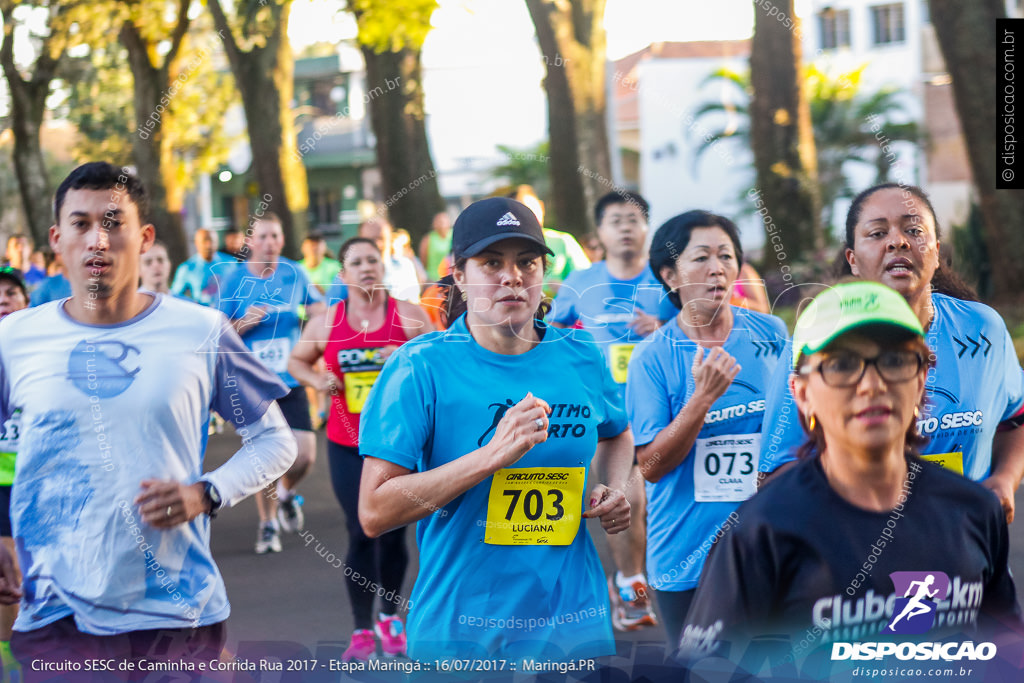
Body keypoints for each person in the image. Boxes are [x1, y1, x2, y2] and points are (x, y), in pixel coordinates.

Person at [0, 162, 297, 675]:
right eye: (81, 224)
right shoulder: (13, 339)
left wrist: (204, 493)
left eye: (114, 223)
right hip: (56, 611)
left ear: (144, 237)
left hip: (176, 610)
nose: (98, 239)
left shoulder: (200, 330)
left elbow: (275, 442)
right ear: (56, 239)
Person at [680, 281, 1021, 663]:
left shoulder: (974, 510)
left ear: (922, 379)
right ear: (802, 392)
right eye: (843, 365)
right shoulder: (761, 532)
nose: (872, 385)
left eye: (894, 360)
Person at [358, 197, 633, 662]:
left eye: (527, 262)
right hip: (463, 628)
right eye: (491, 263)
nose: (513, 277)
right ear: (459, 275)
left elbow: (617, 433)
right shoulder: (420, 366)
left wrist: (613, 486)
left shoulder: (580, 352)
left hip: (571, 624)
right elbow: (374, 510)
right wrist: (493, 454)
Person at [759, 183, 1024, 523]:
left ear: (937, 251)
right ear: (852, 260)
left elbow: (1015, 419)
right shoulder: (815, 339)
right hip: (860, 561)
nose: (897, 241)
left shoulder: (982, 327)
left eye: (913, 230)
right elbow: (776, 473)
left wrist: (1004, 480)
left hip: (965, 550)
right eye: (877, 232)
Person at [625, 210, 788, 650]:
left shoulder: (771, 334)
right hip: (687, 557)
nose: (717, 268)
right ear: (668, 273)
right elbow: (652, 466)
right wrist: (701, 400)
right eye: (701, 258)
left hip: (768, 548)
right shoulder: (652, 358)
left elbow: (791, 431)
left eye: (726, 256)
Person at [289, 237, 434, 662]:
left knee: (392, 534)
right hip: (346, 442)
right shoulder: (327, 323)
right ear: (343, 274)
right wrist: (317, 382)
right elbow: (296, 362)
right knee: (360, 531)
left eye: (374, 260)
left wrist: (406, 354)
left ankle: (389, 617)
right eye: (357, 262)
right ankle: (360, 630)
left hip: (398, 447)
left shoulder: (408, 316)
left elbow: (441, 361)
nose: (367, 268)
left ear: (383, 267)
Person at [550, 190, 663, 631]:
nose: (626, 227)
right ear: (599, 232)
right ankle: (632, 589)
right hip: (611, 417)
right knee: (628, 499)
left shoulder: (664, 278)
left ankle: (667, 582)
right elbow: (553, 332)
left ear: (647, 228)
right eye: (615, 219)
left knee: (661, 507)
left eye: (634, 218)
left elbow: (700, 327)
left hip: (666, 410)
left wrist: (663, 326)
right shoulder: (581, 281)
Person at [216, 212, 325, 553]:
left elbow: (321, 310)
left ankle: (287, 494)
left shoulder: (294, 273)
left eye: (275, 236)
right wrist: (244, 323)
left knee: (305, 454)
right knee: (263, 454)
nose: (270, 243)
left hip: (290, 378)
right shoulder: (234, 280)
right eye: (263, 237)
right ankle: (267, 525)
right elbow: (217, 332)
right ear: (250, 242)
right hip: (253, 382)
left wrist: (309, 329)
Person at [0, 267, 27, 675]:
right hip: (3, 484)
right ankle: (11, 662)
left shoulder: (46, 350)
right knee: (11, 576)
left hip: (45, 479)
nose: (3, 299)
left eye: (11, 292)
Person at [507, 185, 590, 296]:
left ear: (541, 207)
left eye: (532, 208)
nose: (531, 216)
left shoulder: (562, 241)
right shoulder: (504, 246)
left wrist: (566, 288)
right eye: (523, 212)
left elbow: (589, 284)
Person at [170, 228, 235, 305]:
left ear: (217, 242)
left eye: (212, 241)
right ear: (196, 243)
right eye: (204, 241)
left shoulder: (231, 263)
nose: (208, 245)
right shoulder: (187, 268)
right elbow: (175, 297)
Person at [418, 210, 452, 280]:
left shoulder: (454, 235)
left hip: (452, 277)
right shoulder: (428, 239)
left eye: (443, 222)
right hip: (434, 278)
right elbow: (423, 260)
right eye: (438, 222)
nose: (441, 224)